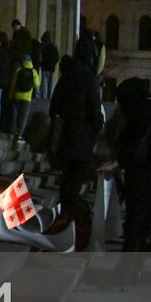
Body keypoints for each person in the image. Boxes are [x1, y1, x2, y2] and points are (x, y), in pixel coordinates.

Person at [44, 44, 105, 239]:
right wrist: (97, 126)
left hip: (65, 139)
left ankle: (64, 221)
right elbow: (95, 112)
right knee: (74, 183)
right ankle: (69, 226)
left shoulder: (66, 77)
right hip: (82, 141)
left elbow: (53, 107)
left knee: (67, 183)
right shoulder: (89, 79)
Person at [113, 77, 151, 253]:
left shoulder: (143, 110)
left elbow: (135, 143)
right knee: (150, 217)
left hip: (145, 173)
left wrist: (119, 162)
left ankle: (128, 270)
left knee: (136, 221)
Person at [7, 54, 39, 142]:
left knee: (15, 115)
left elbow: (13, 83)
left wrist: (10, 95)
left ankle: (11, 133)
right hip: (27, 98)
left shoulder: (19, 70)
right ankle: (19, 135)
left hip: (17, 96)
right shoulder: (34, 72)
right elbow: (37, 84)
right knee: (23, 117)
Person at [37, 30, 59, 98]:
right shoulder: (53, 46)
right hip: (51, 67)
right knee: (50, 83)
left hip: (45, 66)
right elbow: (57, 56)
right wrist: (54, 63)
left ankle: (44, 96)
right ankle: (49, 96)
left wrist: (40, 63)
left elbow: (39, 55)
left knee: (44, 82)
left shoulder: (43, 45)